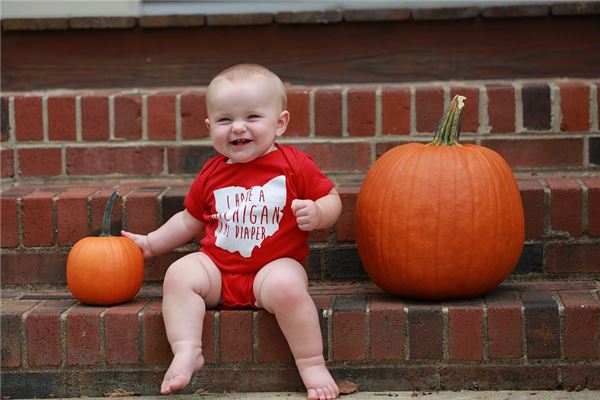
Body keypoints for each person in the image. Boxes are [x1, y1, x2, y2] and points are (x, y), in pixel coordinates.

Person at [122, 64, 342, 400]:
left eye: (252, 116)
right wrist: (151, 244)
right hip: (218, 271)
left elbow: (331, 198)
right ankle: (186, 349)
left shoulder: (294, 165)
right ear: (210, 127)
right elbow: (189, 220)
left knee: (288, 285)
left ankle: (311, 363)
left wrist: (319, 212)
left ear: (280, 123)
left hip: (271, 271)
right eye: (225, 120)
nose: (238, 127)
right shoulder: (212, 173)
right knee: (179, 274)